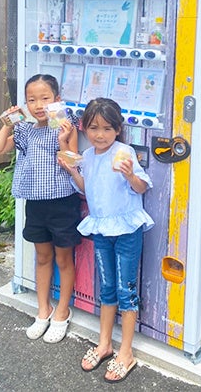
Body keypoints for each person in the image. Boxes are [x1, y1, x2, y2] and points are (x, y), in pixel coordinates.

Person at [57, 97, 153, 383]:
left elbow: (141, 187)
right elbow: (87, 188)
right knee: (108, 288)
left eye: (107, 129)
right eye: (94, 128)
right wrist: (72, 169)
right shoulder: (87, 156)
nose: (100, 135)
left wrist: (130, 175)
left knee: (126, 290)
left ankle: (126, 352)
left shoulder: (124, 152)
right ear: (84, 128)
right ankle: (104, 344)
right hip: (101, 229)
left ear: (118, 130)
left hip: (126, 230)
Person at [0, 73, 80, 344]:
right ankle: (43, 309)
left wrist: (63, 140)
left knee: (64, 259)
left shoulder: (67, 126)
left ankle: (62, 311)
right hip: (36, 203)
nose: (38, 105)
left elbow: (72, 162)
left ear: (57, 99)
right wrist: (7, 124)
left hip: (63, 202)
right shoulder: (25, 130)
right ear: (25, 104)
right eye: (32, 100)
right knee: (42, 257)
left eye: (45, 98)